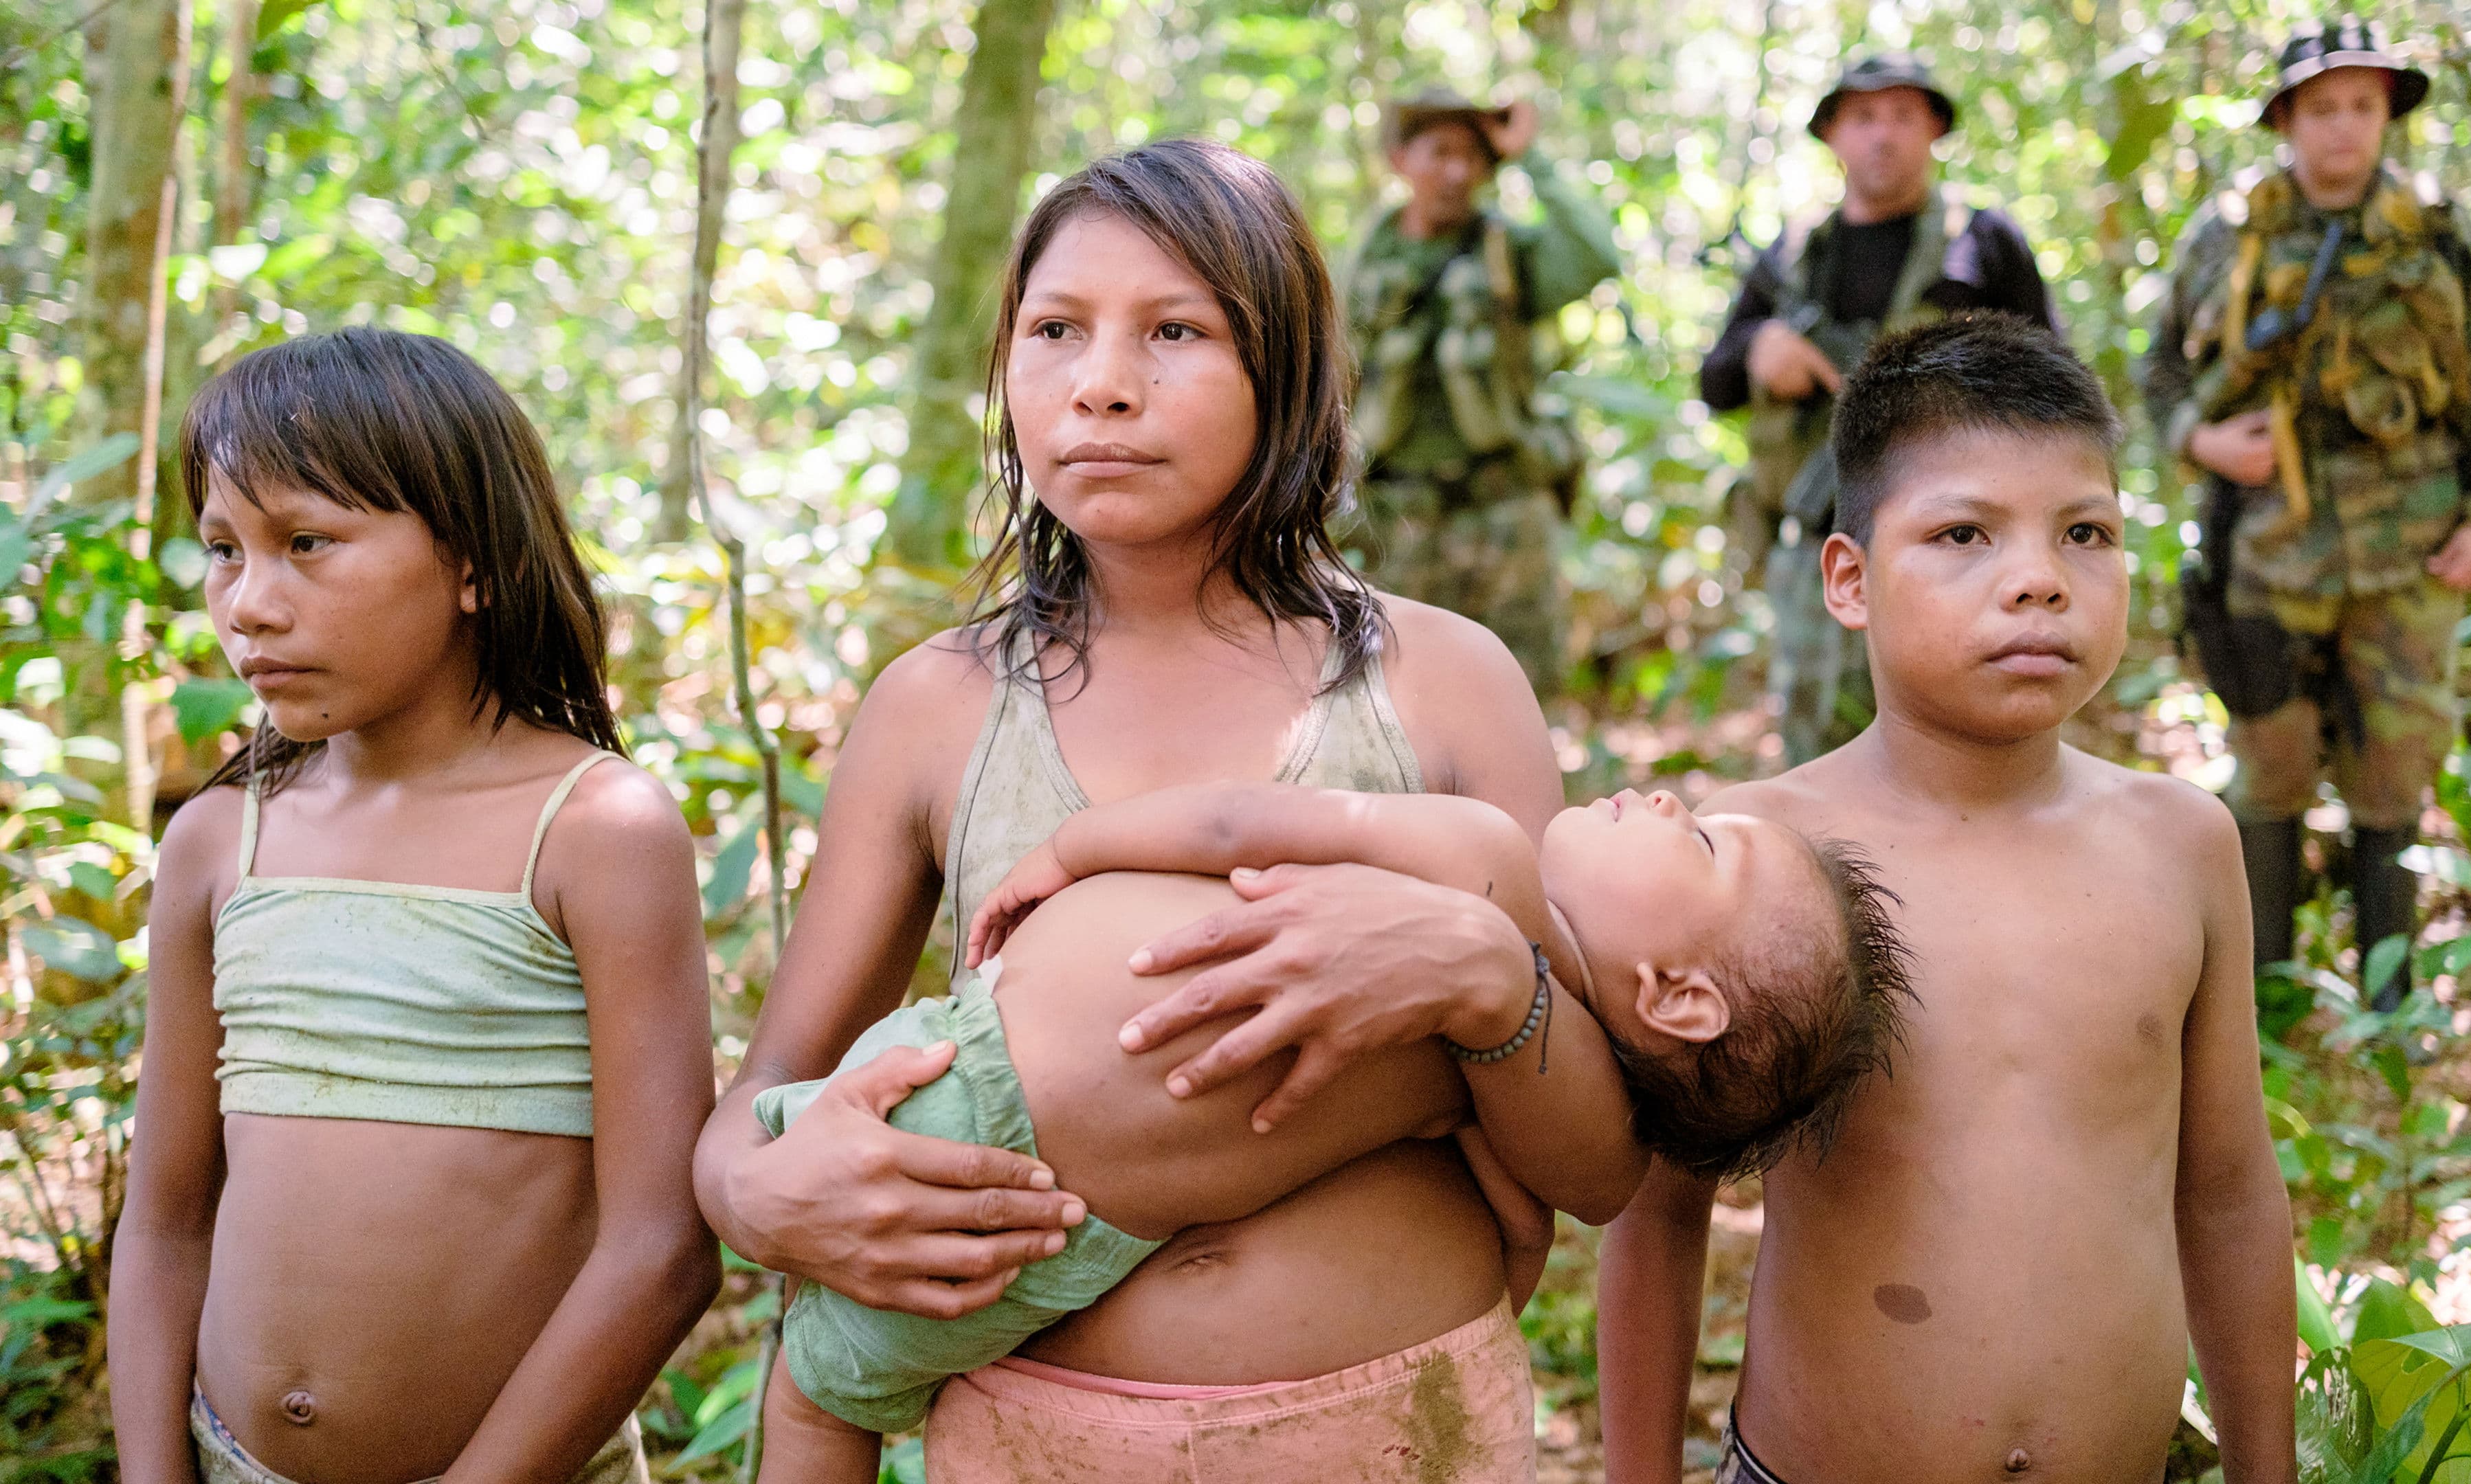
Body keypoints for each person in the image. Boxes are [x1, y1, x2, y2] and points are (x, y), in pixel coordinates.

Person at [691, 138, 1626, 1483]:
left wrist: (1486, 981)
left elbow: (1597, 1167)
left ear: (1287, 372)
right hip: (1031, 1439)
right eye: (1054, 330)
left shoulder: (1445, 682)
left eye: (1175, 331)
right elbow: (759, 1100)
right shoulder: (939, 705)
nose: (1103, 386)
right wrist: (763, 1196)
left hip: (1399, 1435)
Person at [1599, 316, 2298, 1483]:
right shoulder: (1761, 848)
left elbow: (2227, 1192)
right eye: (1963, 533)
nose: (2038, 579)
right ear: (1849, 580)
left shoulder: (2182, 843)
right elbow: (1659, 1213)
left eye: (2087, 532)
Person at [750, 777, 1909, 1468]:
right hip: (1037, 1195)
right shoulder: (1502, 1075)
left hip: (984, 1136)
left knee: (813, 1388)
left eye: (1702, 839)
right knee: (822, 1368)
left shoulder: (1491, 870)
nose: (1665, 798)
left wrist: (1074, 845)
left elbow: (1237, 825)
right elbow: (1521, 1222)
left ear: (1681, 998)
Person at [107, 330, 721, 1484]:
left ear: (472, 562)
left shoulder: (594, 831)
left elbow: (664, 1244)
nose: (250, 604)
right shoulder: (216, 843)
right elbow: (165, 1225)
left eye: (306, 544)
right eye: (223, 551)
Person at [2143, 18, 2471, 1008]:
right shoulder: (2228, 232)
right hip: (2269, 556)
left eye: (2362, 105)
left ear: (2386, 114)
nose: (2344, 128)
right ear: (2286, 119)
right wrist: (2199, 440)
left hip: (2413, 551)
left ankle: (2389, 1012)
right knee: (2270, 774)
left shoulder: (2434, 229)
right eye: (2322, 107)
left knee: (2394, 778)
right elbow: (2159, 373)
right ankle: (2268, 1007)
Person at [1701, 52, 2057, 766]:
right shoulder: (1794, 255)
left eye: (1903, 115)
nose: (1883, 136)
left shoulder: (1982, 241)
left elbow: (2056, 388)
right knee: (1819, 748)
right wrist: (1762, 348)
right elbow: (1715, 383)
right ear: (1832, 136)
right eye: (1863, 117)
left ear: (1933, 129)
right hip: (1822, 548)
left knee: (1963, 741)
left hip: (1962, 543)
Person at [1341, 91, 1622, 697]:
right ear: (1399, 159)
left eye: (1472, 157)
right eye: (1438, 152)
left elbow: (1596, 256)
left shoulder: (1507, 253)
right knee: (1405, 698)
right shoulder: (1362, 264)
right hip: (1400, 521)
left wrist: (1531, 158)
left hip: (1506, 509)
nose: (1456, 172)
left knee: (1520, 691)